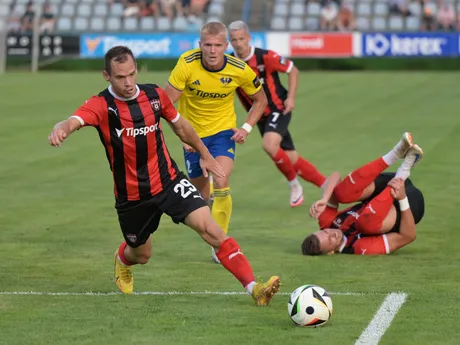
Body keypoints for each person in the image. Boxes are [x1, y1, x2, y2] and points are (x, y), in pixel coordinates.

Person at [47, 46, 280, 305]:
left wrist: (204, 153)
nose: (128, 82)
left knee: (211, 229)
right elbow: (72, 120)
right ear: (107, 76)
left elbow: (180, 125)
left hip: (169, 181)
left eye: (131, 74)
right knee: (142, 254)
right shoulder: (101, 105)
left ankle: (255, 289)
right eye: (120, 77)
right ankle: (123, 259)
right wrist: (62, 129)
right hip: (133, 196)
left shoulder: (155, 95)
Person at [164, 22, 268, 263]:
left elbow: (260, 100)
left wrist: (246, 128)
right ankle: (211, 218)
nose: (212, 50)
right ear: (200, 45)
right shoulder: (186, 64)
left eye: (218, 45)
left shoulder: (239, 69)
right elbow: (166, 105)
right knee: (199, 199)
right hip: (192, 136)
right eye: (207, 45)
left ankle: (220, 246)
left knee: (221, 179)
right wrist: (183, 136)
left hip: (223, 133)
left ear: (226, 46)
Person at [228, 20, 326, 208]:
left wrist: (291, 97)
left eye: (241, 38)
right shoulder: (230, 64)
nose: (238, 43)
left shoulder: (265, 57)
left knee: (269, 145)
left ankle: (294, 185)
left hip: (278, 108)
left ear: (248, 38)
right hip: (258, 115)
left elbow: (293, 70)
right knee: (290, 158)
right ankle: (326, 184)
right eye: (234, 40)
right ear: (230, 42)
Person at [301, 132, 425, 255]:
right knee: (365, 225)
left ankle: (396, 153)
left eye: (325, 232)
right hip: (409, 205)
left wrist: (325, 198)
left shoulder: (328, 224)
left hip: (385, 187)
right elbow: (407, 236)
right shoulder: (360, 247)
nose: (332, 233)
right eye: (330, 240)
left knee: (341, 193)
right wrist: (402, 198)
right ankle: (405, 168)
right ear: (330, 252)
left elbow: (335, 176)